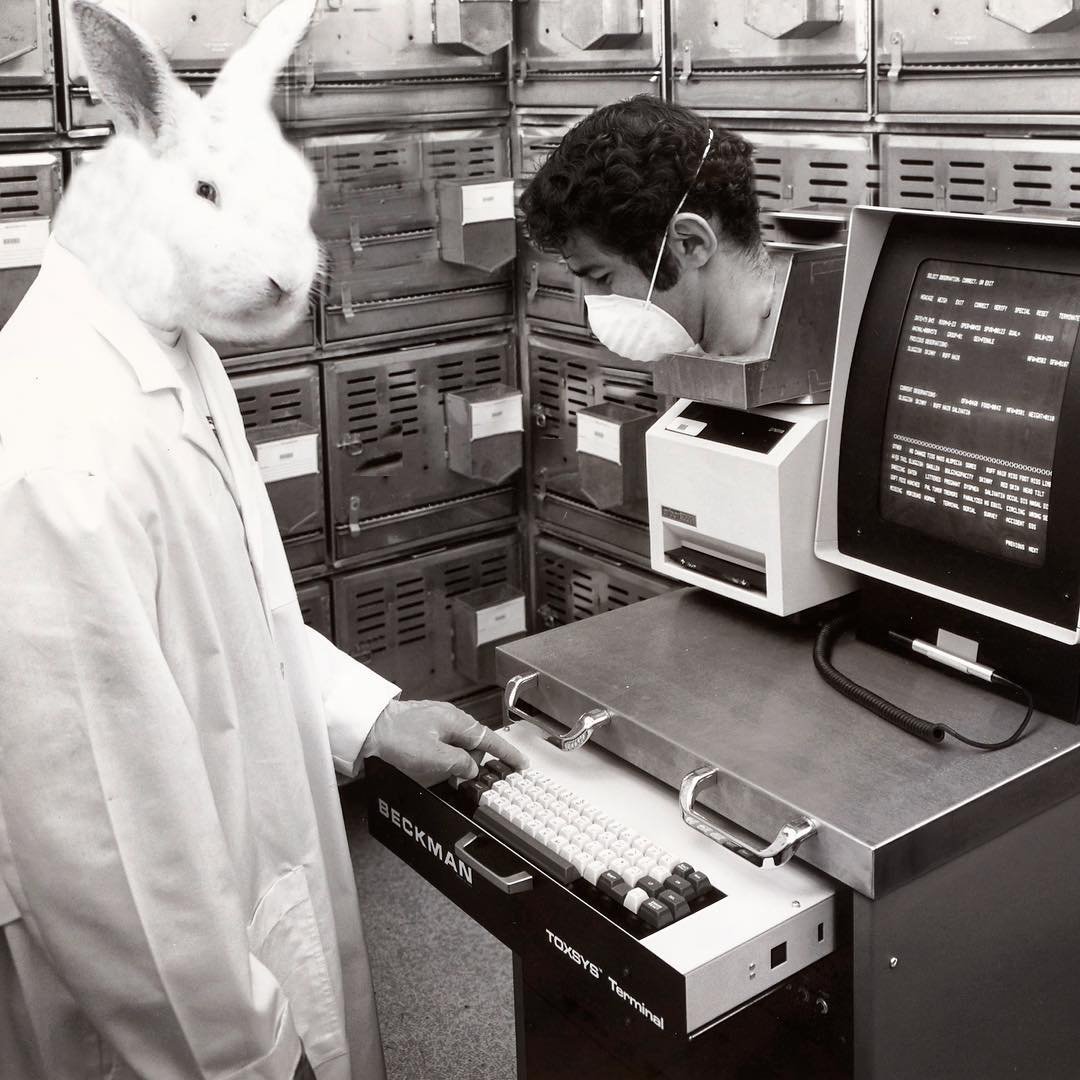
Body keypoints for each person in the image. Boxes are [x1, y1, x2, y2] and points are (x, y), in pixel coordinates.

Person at [0, 2, 525, 1078]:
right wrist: (241, 1056)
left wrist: (370, 717)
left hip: (258, 876)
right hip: (183, 1022)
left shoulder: (171, 348)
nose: (287, 274)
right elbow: (96, 837)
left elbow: (238, 612)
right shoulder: (55, 439)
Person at [520, 96, 775, 365]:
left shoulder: (819, 374)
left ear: (691, 243)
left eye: (603, 277)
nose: (590, 303)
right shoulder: (698, 357)